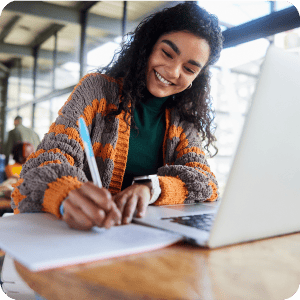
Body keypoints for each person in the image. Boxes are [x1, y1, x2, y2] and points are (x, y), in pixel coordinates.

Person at [11, 2, 223, 231]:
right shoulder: (96, 91)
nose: (173, 72)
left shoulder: (182, 122)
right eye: (167, 53)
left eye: (189, 69)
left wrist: (151, 188)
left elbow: (206, 182)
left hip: (147, 243)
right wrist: (64, 192)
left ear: (197, 78)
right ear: (148, 46)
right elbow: (41, 165)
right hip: (81, 236)